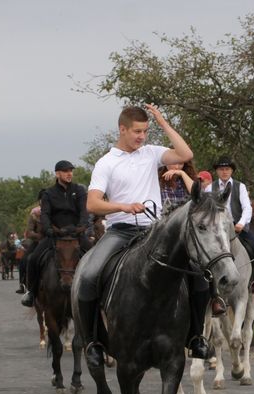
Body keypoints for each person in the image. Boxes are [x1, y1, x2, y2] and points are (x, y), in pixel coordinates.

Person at [74, 104, 212, 368]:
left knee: (198, 273)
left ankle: (195, 337)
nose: (142, 137)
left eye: (146, 131)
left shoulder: (151, 153)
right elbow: (93, 204)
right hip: (121, 230)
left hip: (154, 230)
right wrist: (123, 206)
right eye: (137, 131)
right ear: (122, 129)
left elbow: (186, 153)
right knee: (89, 275)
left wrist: (163, 123)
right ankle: (93, 342)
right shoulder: (106, 162)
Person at [21, 160, 89, 307]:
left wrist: (82, 226)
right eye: (66, 171)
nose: (69, 174)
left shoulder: (79, 191)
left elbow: (84, 211)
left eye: (71, 171)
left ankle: (100, 293)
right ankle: (31, 293)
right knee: (33, 259)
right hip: (55, 235)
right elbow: (45, 214)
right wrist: (49, 229)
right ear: (58, 174)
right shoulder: (48, 193)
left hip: (76, 235)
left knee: (95, 256)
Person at [205, 156, 254, 260]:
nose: (224, 172)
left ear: (232, 170)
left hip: (237, 228)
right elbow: (206, 210)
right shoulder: (210, 188)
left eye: (227, 169)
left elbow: (247, 208)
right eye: (221, 169)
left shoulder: (240, 186)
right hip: (216, 228)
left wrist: (241, 223)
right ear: (217, 171)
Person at [17, 190, 45, 293]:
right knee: (26, 260)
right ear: (39, 201)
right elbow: (29, 232)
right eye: (43, 199)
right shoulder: (35, 213)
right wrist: (39, 236)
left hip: (56, 240)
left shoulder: (56, 211)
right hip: (39, 242)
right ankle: (24, 286)